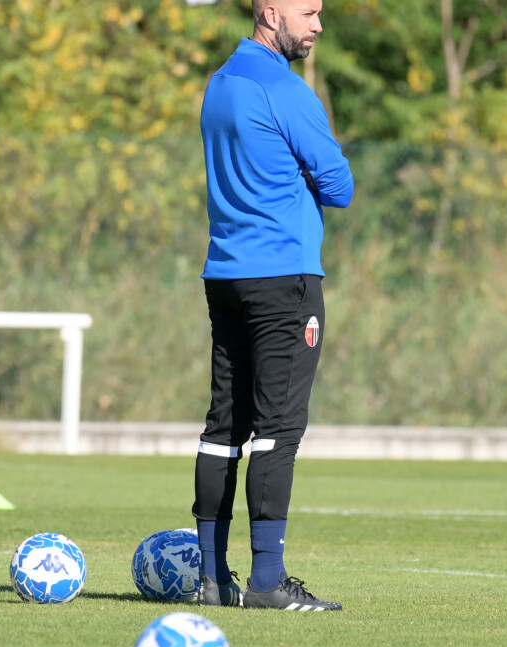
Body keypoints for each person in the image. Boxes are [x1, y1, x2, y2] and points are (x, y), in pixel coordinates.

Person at [192, 0, 354, 612]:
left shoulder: (219, 83)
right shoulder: (285, 90)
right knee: (278, 429)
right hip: (284, 276)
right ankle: (266, 581)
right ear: (269, 11)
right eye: (308, 11)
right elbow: (340, 186)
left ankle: (212, 578)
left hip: (225, 273)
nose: (317, 24)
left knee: (223, 428)